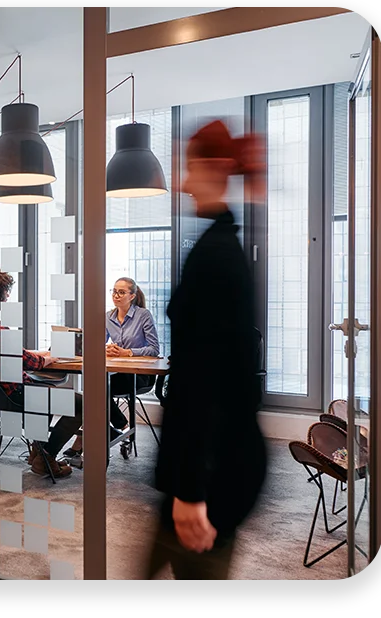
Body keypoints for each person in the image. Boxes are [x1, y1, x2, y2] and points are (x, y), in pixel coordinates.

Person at [145, 119, 267, 580]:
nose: (181, 181)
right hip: (200, 463)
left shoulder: (217, 257)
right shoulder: (216, 245)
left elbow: (208, 384)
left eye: (189, 167)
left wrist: (192, 491)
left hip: (212, 470)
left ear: (213, 168)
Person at [0, 268, 104, 479]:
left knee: (48, 392)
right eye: (6, 293)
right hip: (15, 394)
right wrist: (47, 358)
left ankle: (39, 455)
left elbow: (8, 352)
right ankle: (46, 456)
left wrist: (34, 354)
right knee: (82, 404)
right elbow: (26, 361)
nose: (7, 298)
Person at [64, 277, 159, 459]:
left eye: (121, 292)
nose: (116, 295)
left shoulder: (143, 315)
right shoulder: (108, 317)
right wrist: (105, 348)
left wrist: (127, 352)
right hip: (114, 374)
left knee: (96, 390)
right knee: (96, 388)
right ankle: (121, 428)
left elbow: (155, 349)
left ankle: (91, 438)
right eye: (114, 291)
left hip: (138, 375)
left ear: (132, 296)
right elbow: (96, 343)